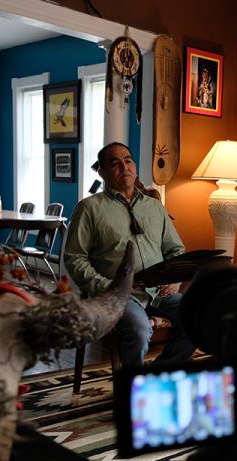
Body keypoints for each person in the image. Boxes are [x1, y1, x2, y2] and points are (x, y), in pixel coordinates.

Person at [63, 142, 197, 368]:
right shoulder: (89, 209)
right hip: (120, 296)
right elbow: (75, 258)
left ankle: (152, 378)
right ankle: (132, 386)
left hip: (160, 292)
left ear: (134, 166)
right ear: (102, 172)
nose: (123, 167)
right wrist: (109, 287)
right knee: (139, 329)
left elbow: (175, 250)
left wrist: (175, 280)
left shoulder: (155, 207)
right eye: (114, 163)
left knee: (198, 318)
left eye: (128, 160)